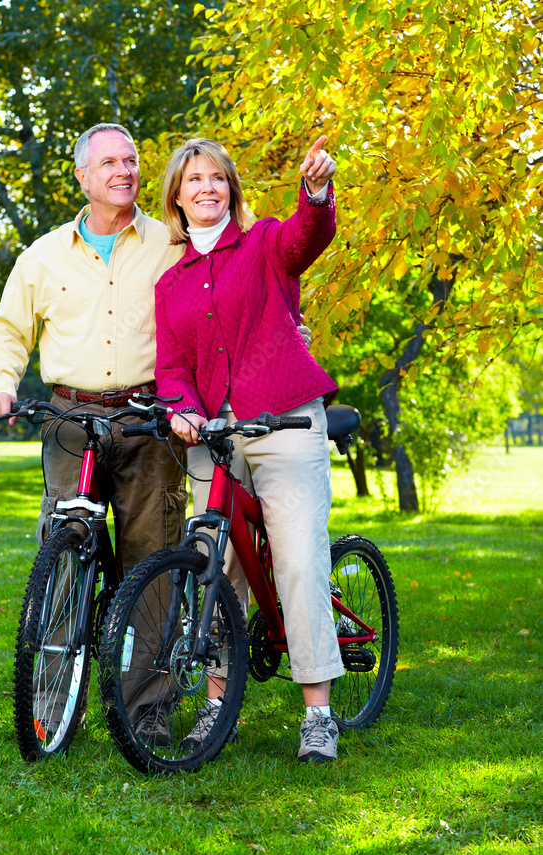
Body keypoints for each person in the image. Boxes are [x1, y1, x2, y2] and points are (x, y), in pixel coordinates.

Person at [0, 123, 188, 739]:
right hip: (70, 421)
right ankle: (53, 697)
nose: (123, 171)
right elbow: (7, 330)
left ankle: (147, 709)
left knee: (150, 561)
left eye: (131, 160)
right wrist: (0, 382)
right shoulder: (42, 256)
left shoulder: (171, 241)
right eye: (109, 163)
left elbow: (227, 274)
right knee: (64, 555)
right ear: (82, 176)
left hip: (149, 419)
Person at [154, 135, 345, 764]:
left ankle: (318, 713)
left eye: (217, 178)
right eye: (194, 180)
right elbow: (173, 368)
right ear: (177, 198)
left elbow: (305, 238)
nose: (206, 188)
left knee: (295, 560)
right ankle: (218, 703)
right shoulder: (170, 284)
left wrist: (315, 194)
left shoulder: (262, 242)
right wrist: (181, 409)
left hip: (284, 419)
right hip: (212, 432)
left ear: (230, 190)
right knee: (214, 562)